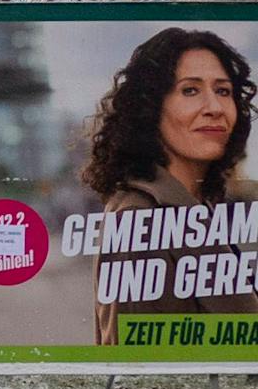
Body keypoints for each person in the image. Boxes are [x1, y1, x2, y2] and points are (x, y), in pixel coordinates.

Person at [83, 28, 258, 346]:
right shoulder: (142, 219)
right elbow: (142, 367)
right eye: (190, 91)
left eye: (223, 91)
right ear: (150, 108)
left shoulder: (191, 205)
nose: (214, 108)